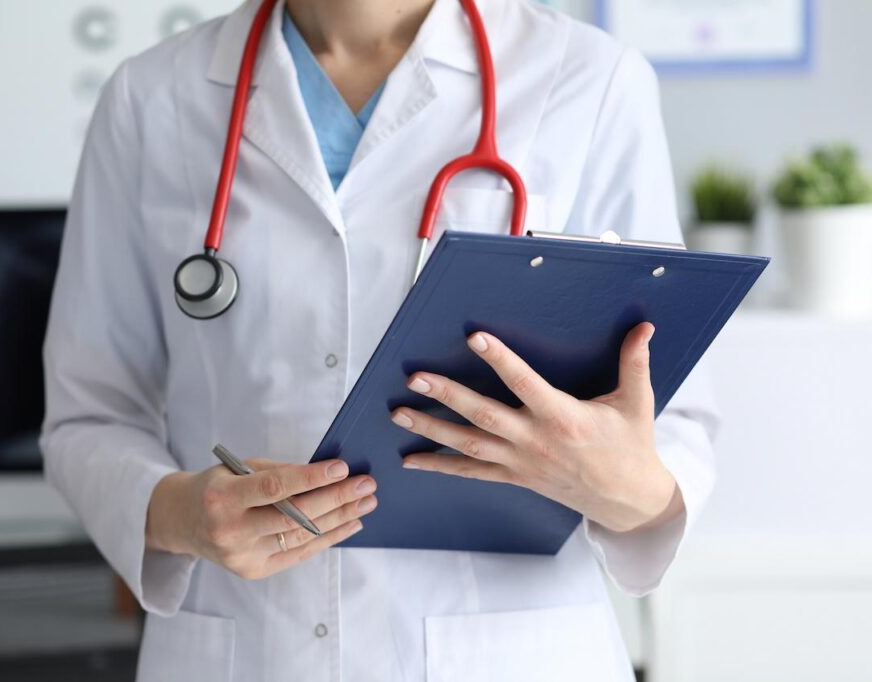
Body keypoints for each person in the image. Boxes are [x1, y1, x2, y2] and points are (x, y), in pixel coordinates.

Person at [40, 0, 718, 679]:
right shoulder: (151, 98)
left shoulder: (587, 79)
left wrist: (623, 486)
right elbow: (89, 413)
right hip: (250, 647)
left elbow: (674, 421)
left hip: (504, 653)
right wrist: (180, 514)